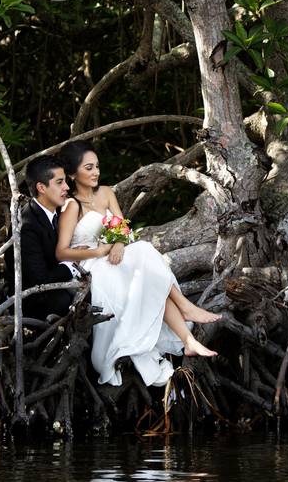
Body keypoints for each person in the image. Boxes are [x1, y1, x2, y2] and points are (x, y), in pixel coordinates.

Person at [55, 141, 220, 387]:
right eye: (88, 168)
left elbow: (121, 227)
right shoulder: (71, 206)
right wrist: (100, 250)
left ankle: (189, 341)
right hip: (93, 266)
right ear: (72, 173)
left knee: (146, 263)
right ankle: (185, 311)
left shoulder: (107, 192)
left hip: (118, 257)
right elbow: (61, 252)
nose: (96, 172)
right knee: (144, 252)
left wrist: (119, 243)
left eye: (97, 166)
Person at [12, 154, 85, 320]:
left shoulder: (59, 211)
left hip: (61, 282)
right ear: (41, 188)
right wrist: (73, 263)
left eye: (65, 181)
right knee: (73, 300)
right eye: (59, 182)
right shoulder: (27, 226)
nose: (67, 187)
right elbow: (40, 280)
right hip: (34, 300)